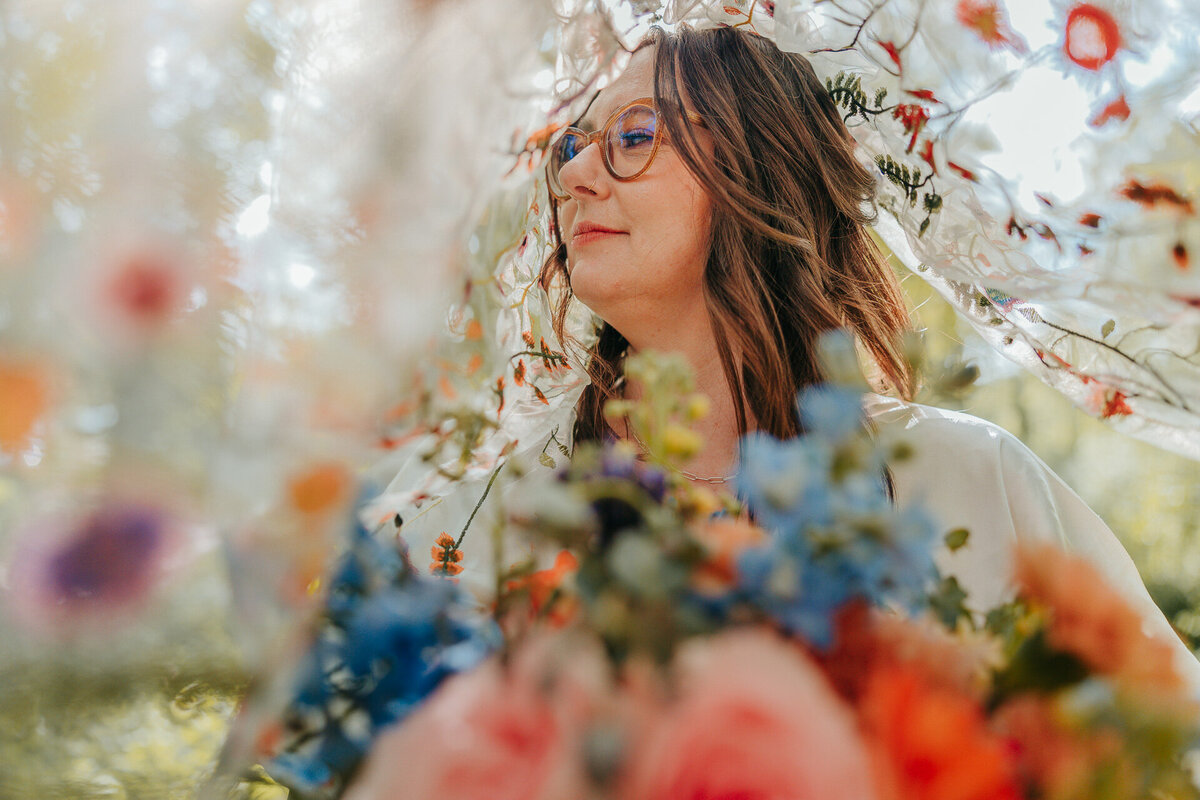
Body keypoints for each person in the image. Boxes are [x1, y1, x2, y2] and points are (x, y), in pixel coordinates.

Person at [533, 24, 1200, 689]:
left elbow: (1161, 743)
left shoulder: (968, 477)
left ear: (754, 163)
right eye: (573, 144)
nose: (572, 174)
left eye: (633, 134)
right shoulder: (521, 507)